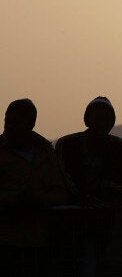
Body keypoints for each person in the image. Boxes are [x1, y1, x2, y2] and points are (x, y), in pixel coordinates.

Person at [0, 99, 68, 275]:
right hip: (6, 241)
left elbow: (60, 190)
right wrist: (16, 199)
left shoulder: (46, 153)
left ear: (30, 124)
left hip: (41, 241)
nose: (10, 126)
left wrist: (41, 200)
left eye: (16, 122)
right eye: (8, 120)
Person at [56, 97, 122, 207]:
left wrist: (107, 191)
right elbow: (64, 182)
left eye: (107, 119)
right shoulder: (67, 145)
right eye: (98, 118)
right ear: (86, 120)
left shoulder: (119, 147)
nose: (103, 124)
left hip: (109, 217)